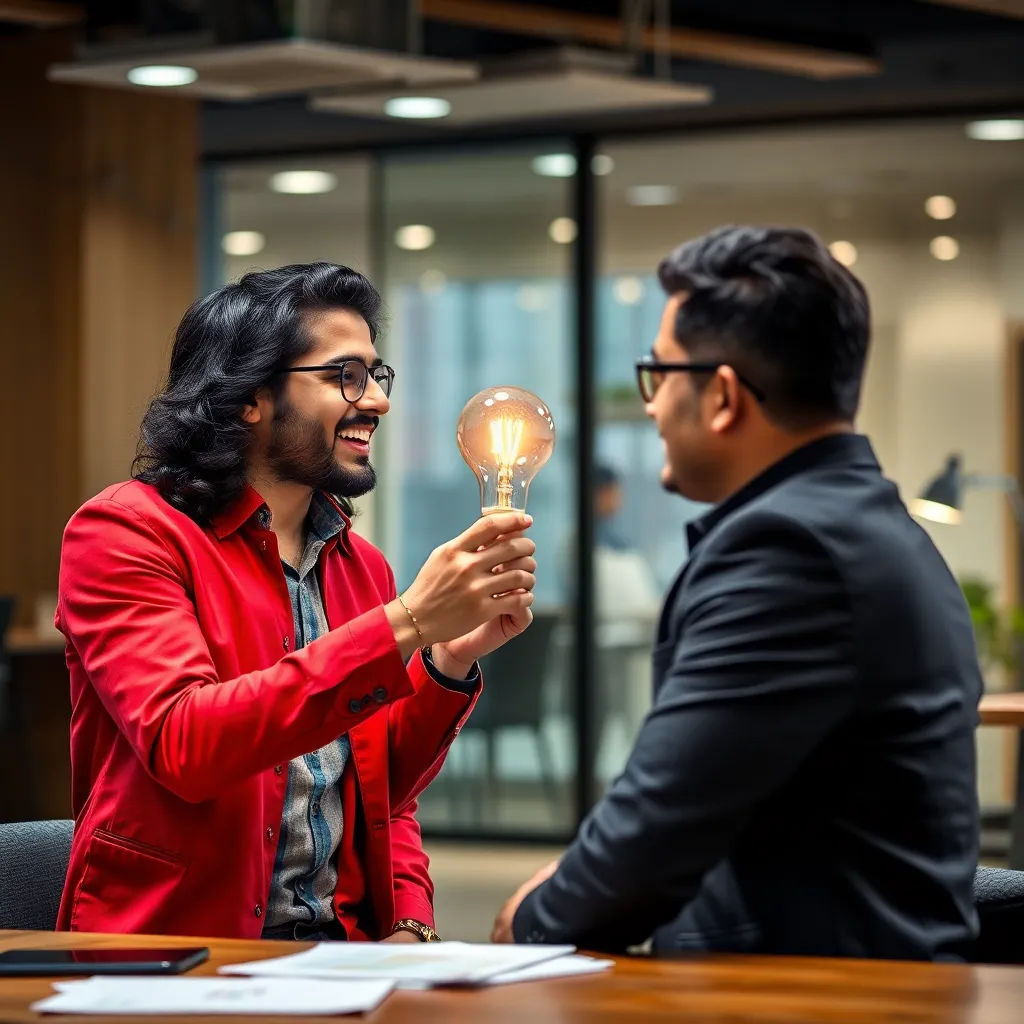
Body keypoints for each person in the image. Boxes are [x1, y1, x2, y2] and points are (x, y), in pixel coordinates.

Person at [492, 225, 982, 960]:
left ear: (722, 395)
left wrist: (530, 921)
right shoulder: (864, 524)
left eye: (659, 375)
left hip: (815, 994)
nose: (651, 407)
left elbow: (657, 829)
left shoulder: (790, 551)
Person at [56, 262, 537, 942]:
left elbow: (379, 795)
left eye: (377, 375)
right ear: (250, 395)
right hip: (175, 950)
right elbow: (185, 743)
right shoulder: (125, 532)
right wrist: (406, 622)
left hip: (339, 950)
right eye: (346, 375)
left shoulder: (359, 565)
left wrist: (450, 658)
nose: (377, 401)